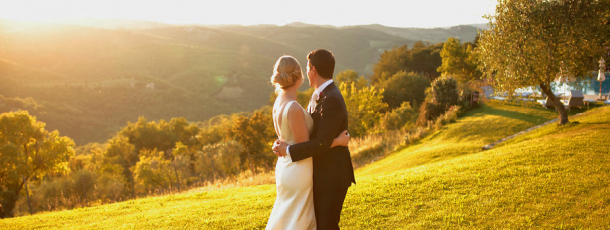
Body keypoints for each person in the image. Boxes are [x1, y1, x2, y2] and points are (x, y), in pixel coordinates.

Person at [272, 49, 356, 230]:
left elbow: (321, 143)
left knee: (326, 226)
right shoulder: (317, 94)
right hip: (316, 174)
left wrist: (287, 149)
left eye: (307, 68)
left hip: (332, 176)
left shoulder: (332, 98)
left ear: (313, 69)